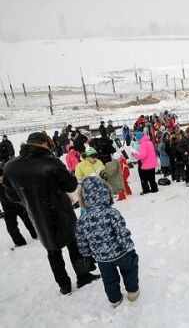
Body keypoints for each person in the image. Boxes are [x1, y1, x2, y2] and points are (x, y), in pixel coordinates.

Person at [2, 132, 100, 295]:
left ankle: (64, 285)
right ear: (44, 143)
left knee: (52, 251)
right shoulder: (51, 162)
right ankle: (82, 276)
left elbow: (11, 195)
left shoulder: (11, 167)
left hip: (38, 215)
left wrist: (30, 200)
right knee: (73, 244)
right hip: (61, 212)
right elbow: (70, 185)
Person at [76, 176, 139, 308]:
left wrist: (87, 255)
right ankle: (132, 292)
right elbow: (121, 232)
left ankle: (114, 299)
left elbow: (81, 240)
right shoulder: (112, 213)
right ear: (106, 193)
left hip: (102, 258)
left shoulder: (82, 219)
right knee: (129, 270)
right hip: (121, 253)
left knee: (109, 279)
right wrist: (128, 248)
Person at [0, 167, 38, 247]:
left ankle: (37, 236)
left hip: (20, 205)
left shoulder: (11, 181)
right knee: (11, 228)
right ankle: (20, 243)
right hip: (8, 209)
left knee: (29, 222)